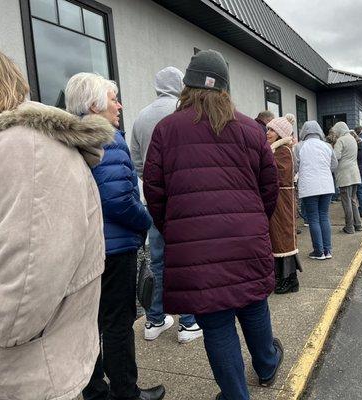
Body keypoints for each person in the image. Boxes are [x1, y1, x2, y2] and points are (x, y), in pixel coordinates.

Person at [143, 50, 282, 400]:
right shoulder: (252, 129)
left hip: (194, 247)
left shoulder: (165, 131)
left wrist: (178, 230)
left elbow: (155, 193)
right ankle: (267, 366)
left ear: (186, 86)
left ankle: (236, 395)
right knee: (253, 303)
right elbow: (270, 187)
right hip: (247, 241)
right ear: (225, 88)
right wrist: (254, 224)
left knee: (217, 323)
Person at [0, 52, 113, 400]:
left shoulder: (25, 150)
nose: (119, 105)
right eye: (113, 98)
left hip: (26, 375)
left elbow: (21, 302)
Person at [65, 73, 165, 400]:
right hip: (115, 249)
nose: (119, 105)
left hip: (83, 250)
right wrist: (147, 220)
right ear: (94, 104)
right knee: (118, 325)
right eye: (112, 98)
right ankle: (126, 392)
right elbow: (119, 200)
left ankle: (95, 392)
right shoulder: (106, 137)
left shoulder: (69, 136)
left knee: (87, 326)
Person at [131, 66, 202, 343]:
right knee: (187, 259)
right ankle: (188, 322)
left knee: (158, 259)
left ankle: (154, 320)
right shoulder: (188, 112)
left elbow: (138, 161)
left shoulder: (141, 117)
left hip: (154, 199)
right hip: (185, 200)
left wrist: (151, 183)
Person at [266, 114, 302, 294]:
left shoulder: (283, 151)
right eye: (268, 129)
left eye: (272, 130)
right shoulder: (276, 150)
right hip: (278, 198)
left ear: (280, 133)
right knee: (277, 236)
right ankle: (282, 277)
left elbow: (278, 175)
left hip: (283, 199)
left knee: (284, 237)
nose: (268, 133)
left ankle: (289, 279)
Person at [295, 121, 338, 260]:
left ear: (304, 132)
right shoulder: (327, 146)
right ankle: (328, 250)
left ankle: (318, 251)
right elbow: (334, 164)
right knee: (324, 216)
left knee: (313, 218)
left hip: (309, 186)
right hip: (326, 185)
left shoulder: (299, 146)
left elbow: (295, 166)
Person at [330, 122, 362, 234]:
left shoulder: (341, 140)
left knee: (346, 201)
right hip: (355, 173)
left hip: (345, 175)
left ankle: (349, 227)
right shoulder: (353, 139)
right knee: (353, 200)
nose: (335, 133)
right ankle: (358, 224)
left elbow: (336, 156)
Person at [351, 129, 362, 218]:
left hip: (357, 171)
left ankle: (356, 211)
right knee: (360, 191)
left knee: (355, 193)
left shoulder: (355, 147)